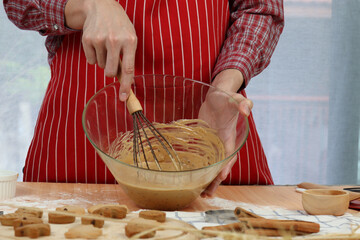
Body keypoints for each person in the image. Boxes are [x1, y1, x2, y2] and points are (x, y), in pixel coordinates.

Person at [3, 0, 284, 196]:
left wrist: (226, 84)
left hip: (211, 121)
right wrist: (86, 5)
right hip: (79, 149)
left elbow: (260, 7)